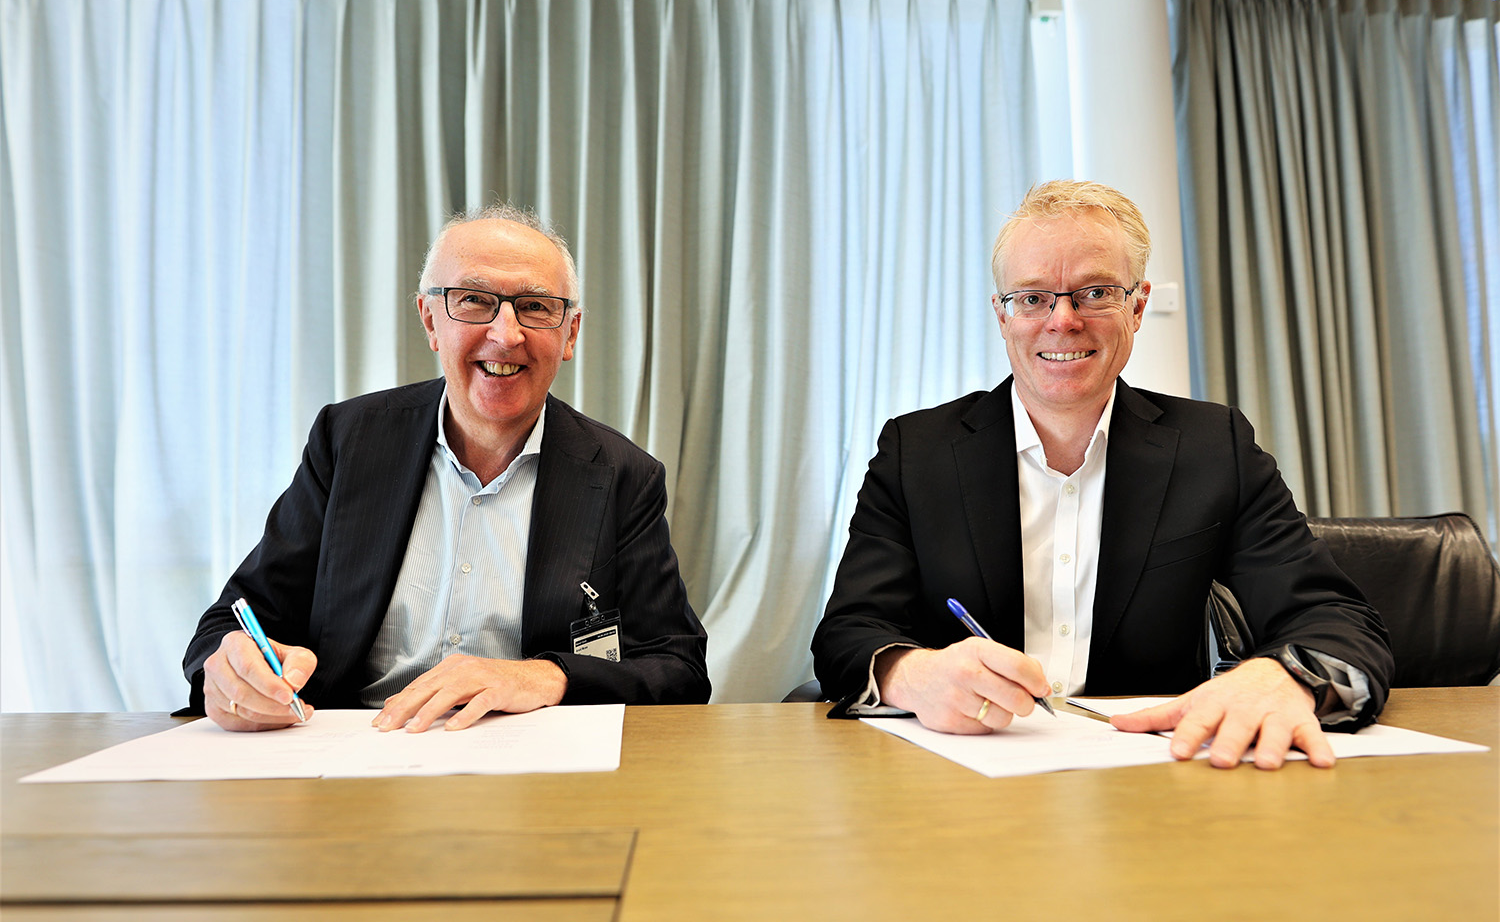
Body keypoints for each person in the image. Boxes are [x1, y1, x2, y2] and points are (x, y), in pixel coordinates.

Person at [812, 180, 1392, 770]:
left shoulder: (1212, 448)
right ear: (1002, 314)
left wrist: (1283, 678)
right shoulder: (918, 452)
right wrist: (911, 674)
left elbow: (1336, 619)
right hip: (961, 774)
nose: (1062, 321)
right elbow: (848, 633)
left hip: (1157, 777)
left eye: (1093, 293)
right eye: (1033, 297)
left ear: (1136, 308)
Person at [183, 205, 709, 732]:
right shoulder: (349, 441)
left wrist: (550, 677)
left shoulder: (623, 475)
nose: (507, 335)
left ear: (569, 334)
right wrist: (231, 666)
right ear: (430, 320)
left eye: (535, 306)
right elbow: (233, 621)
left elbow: (678, 669)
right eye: (475, 301)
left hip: (531, 771)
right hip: (355, 756)